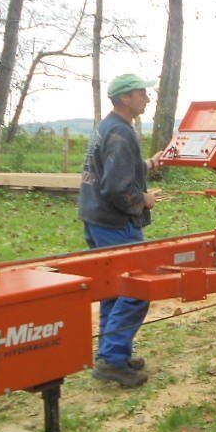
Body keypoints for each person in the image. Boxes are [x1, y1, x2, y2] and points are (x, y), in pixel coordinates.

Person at [79, 73, 161, 386]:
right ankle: (112, 359)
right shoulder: (120, 134)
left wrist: (150, 164)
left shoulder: (110, 127)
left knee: (112, 288)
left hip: (96, 217)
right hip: (114, 222)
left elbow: (117, 167)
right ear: (126, 98)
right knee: (136, 288)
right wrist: (144, 199)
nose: (147, 99)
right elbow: (116, 187)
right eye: (142, 94)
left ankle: (111, 353)